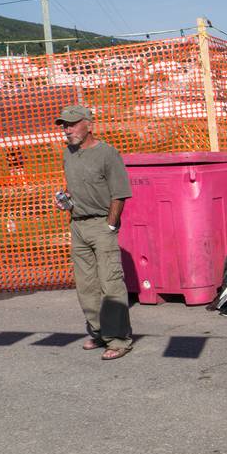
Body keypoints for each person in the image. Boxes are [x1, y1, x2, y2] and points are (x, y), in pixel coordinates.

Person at [54, 104, 134, 361]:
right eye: (64, 125)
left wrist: (110, 225)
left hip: (101, 225)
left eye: (72, 124)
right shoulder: (69, 153)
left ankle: (119, 339)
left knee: (110, 283)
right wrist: (65, 198)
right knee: (86, 285)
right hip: (77, 225)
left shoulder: (107, 153)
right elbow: (77, 186)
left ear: (89, 124)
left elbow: (119, 193)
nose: (67, 130)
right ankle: (100, 332)